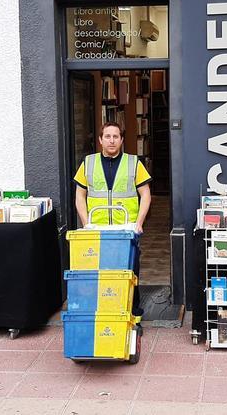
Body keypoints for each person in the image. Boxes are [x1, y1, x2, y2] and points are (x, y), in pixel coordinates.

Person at [73, 121, 152, 317]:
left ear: (122, 140)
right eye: (107, 136)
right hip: (97, 229)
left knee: (129, 272)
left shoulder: (134, 162)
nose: (111, 140)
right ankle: (103, 311)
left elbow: (146, 195)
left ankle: (133, 313)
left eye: (116, 136)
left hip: (125, 230)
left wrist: (139, 223)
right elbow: (79, 196)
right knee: (98, 273)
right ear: (100, 140)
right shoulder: (88, 162)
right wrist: (86, 223)